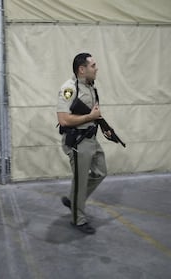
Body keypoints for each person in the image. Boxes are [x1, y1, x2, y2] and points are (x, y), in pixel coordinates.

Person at [57, 53, 109, 234]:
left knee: (101, 172)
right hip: (78, 142)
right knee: (81, 181)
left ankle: (73, 199)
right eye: (93, 65)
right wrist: (89, 117)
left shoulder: (90, 87)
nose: (96, 68)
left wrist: (102, 125)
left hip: (91, 139)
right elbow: (63, 120)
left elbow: (92, 114)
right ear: (82, 69)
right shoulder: (69, 88)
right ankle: (78, 220)